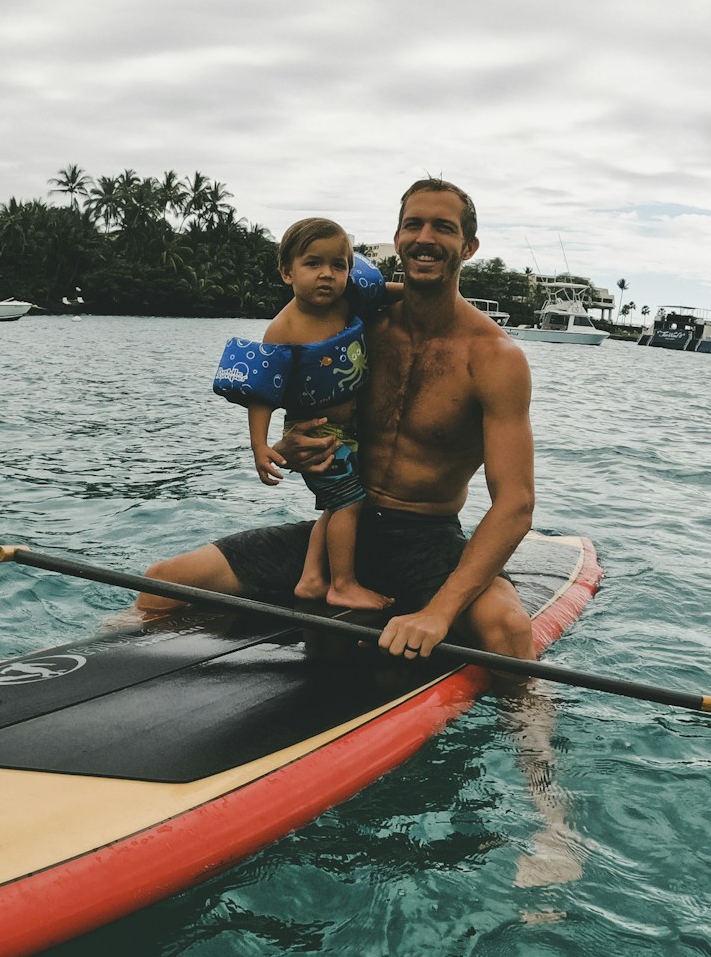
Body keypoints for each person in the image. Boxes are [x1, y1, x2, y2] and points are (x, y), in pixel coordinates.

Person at [145, 178, 536, 664]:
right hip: (339, 529)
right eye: (413, 225)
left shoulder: (494, 357)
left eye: (444, 227)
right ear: (397, 240)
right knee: (164, 583)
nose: (425, 238)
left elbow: (516, 504)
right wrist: (289, 446)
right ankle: (104, 676)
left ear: (468, 247)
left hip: (426, 543)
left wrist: (438, 613)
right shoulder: (355, 326)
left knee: (508, 629)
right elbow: (293, 396)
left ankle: (532, 735)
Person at [213, 217, 392, 611]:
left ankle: (311, 580)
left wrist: (414, 293)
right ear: (286, 272)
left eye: (339, 265)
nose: (327, 274)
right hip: (315, 433)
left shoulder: (348, 304)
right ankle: (342, 583)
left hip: (348, 429)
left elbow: (387, 294)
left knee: (336, 502)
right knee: (349, 502)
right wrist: (260, 447)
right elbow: (261, 395)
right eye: (313, 264)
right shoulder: (284, 328)